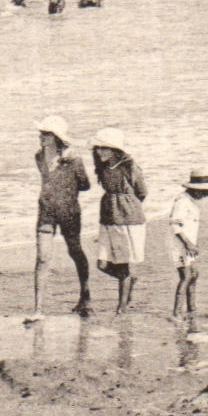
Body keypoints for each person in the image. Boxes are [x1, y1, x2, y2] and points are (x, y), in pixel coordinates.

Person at [28, 115, 93, 322]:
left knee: (75, 251)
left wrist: (66, 188)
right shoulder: (38, 157)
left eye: (45, 134)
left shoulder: (73, 160)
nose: (41, 137)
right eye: (41, 133)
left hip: (69, 212)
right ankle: (38, 309)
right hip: (46, 211)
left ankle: (85, 295)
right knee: (43, 258)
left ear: (56, 137)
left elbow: (85, 184)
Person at [91, 127, 146, 314]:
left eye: (104, 148)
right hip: (108, 216)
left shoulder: (130, 166)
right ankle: (129, 279)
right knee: (103, 264)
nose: (100, 152)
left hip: (128, 218)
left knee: (123, 263)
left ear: (115, 149)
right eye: (98, 148)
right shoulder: (103, 168)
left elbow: (142, 192)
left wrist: (127, 205)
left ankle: (121, 307)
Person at [169, 169, 208, 319]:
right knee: (186, 277)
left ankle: (192, 308)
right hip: (180, 245)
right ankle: (176, 313)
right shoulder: (182, 201)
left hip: (188, 245)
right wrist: (187, 244)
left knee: (194, 274)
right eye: (207, 192)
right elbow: (175, 226)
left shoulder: (190, 201)